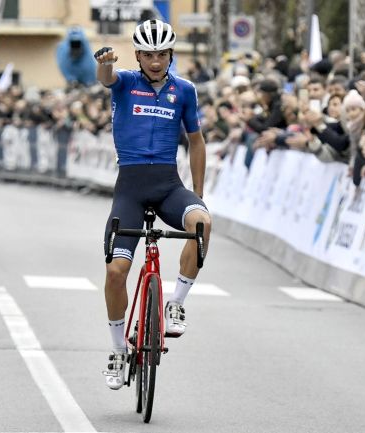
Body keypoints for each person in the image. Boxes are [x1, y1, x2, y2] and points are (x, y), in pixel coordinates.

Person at [93, 19, 212, 390]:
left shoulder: (185, 90)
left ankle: (175, 301)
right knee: (115, 273)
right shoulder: (126, 82)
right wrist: (105, 62)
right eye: (147, 54)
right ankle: (116, 350)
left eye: (161, 53)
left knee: (202, 223)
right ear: (138, 55)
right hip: (129, 188)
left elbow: (196, 141)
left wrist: (198, 192)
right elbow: (105, 78)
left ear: (170, 54)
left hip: (167, 186)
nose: (155, 60)